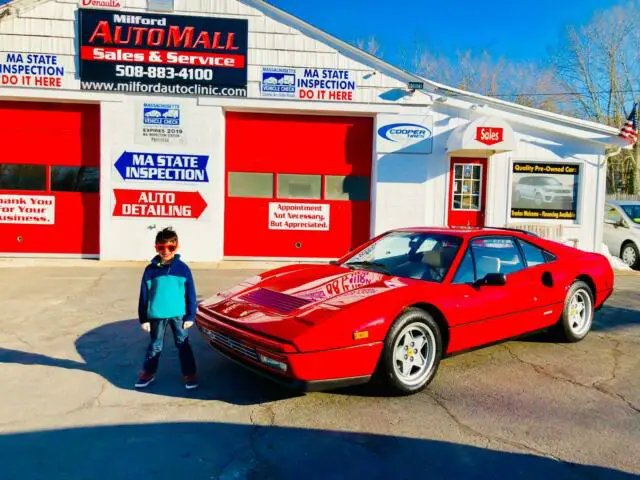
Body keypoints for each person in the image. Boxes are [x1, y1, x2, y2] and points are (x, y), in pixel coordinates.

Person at [135, 227, 199, 390]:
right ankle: (148, 373)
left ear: (176, 247)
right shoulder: (150, 270)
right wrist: (143, 318)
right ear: (156, 247)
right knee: (155, 345)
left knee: (183, 344)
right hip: (157, 315)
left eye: (170, 247)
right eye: (161, 247)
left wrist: (190, 315)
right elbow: (144, 295)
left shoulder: (183, 269)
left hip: (179, 315)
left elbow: (190, 293)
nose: (166, 251)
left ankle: (189, 374)